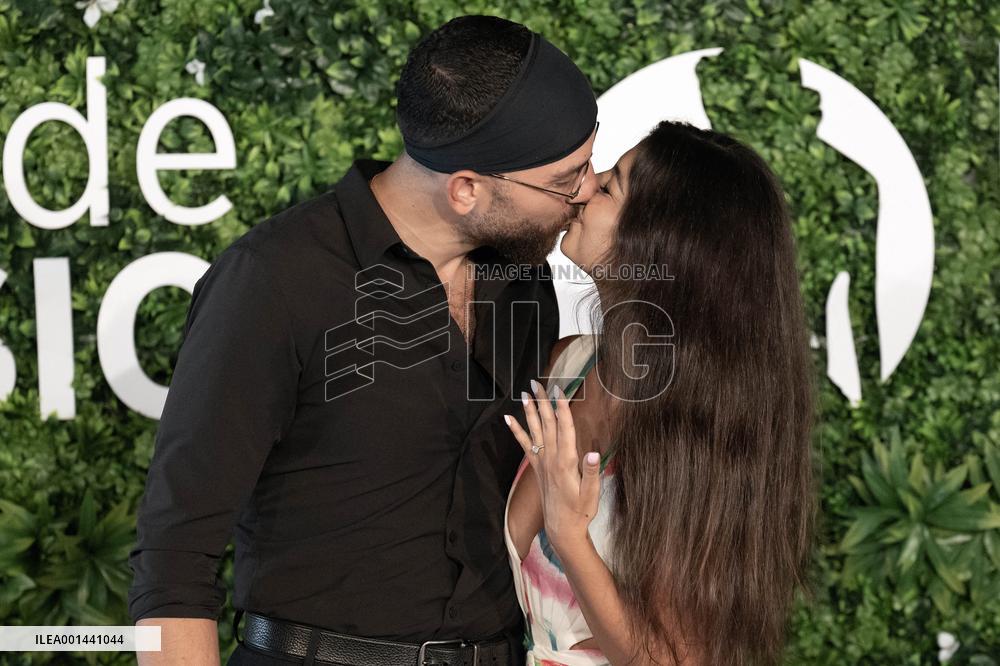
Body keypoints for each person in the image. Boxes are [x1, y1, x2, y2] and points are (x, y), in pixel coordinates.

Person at [127, 15, 601, 666]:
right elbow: (174, 554)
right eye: (566, 179)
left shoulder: (524, 280)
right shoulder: (275, 280)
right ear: (466, 189)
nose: (589, 190)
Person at [503, 120, 820, 666]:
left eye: (610, 186)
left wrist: (569, 535)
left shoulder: (698, 442)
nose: (586, 185)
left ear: (663, 244)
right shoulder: (567, 364)